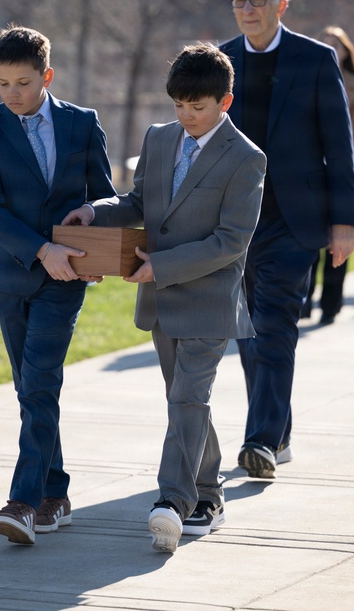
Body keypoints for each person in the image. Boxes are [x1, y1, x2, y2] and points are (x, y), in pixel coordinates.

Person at [64, 44, 266, 553]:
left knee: (187, 398)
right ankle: (209, 492)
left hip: (210, 300)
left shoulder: (246, 158)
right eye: (179, 105)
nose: (187, 116)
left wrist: (165, 264)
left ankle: (171, 502)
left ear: (226, 101)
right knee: (187, 401)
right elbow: (138, 202)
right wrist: (97, 211)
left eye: (197, 107)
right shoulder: (158, 139)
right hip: (159, 299)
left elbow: (231, 240)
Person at [0, 24, 116, 545]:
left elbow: (107, 194)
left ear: (46, 75)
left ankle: (23, 502)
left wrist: (93, 218)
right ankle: (56, 491)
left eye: (24, 83)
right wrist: (39, 249)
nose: (13, 94)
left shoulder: (81, 124)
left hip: (68, 273)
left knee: (40, 382)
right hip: (11, 272)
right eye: (3, 83)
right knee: (28, 387)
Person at [218, 0, 354, 479]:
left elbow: (338, 145)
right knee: (248, 331)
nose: (249, 8)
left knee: (274, 324)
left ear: (282, 5)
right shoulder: (220, 61)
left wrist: (344, 221)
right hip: (234, 222)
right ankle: (279, 430)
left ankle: (260, 441)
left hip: (293, 220)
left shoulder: (316, 59)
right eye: (240, 0)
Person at [301, 26, 354, 326]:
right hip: (309, 178)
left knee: (339, 242)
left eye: (337, 44)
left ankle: (331, 305)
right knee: (308, 244)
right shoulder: (304, 83)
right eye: (324, 43)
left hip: (343, 177)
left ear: (346, 51)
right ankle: (303, 303)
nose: (331, 48)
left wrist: (346, 171)